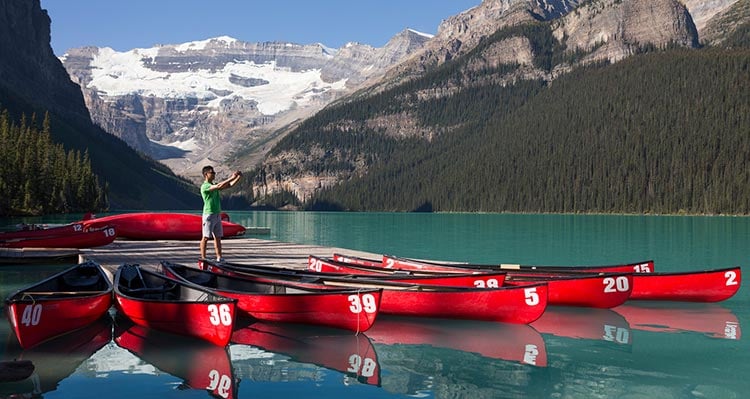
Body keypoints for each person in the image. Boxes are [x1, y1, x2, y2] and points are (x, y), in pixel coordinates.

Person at [200, 165, 242, 261]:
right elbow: (219, 185)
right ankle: (203, 258)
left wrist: (238, 178)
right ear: (206, 174)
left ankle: (219, 257)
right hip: (209, 214)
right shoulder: (205, 186)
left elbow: (229, 185)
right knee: (206, 237)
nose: (214, 174)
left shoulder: (213, 185)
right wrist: (231, 177)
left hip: (217, 214)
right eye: (212, 172)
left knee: (218, 237)